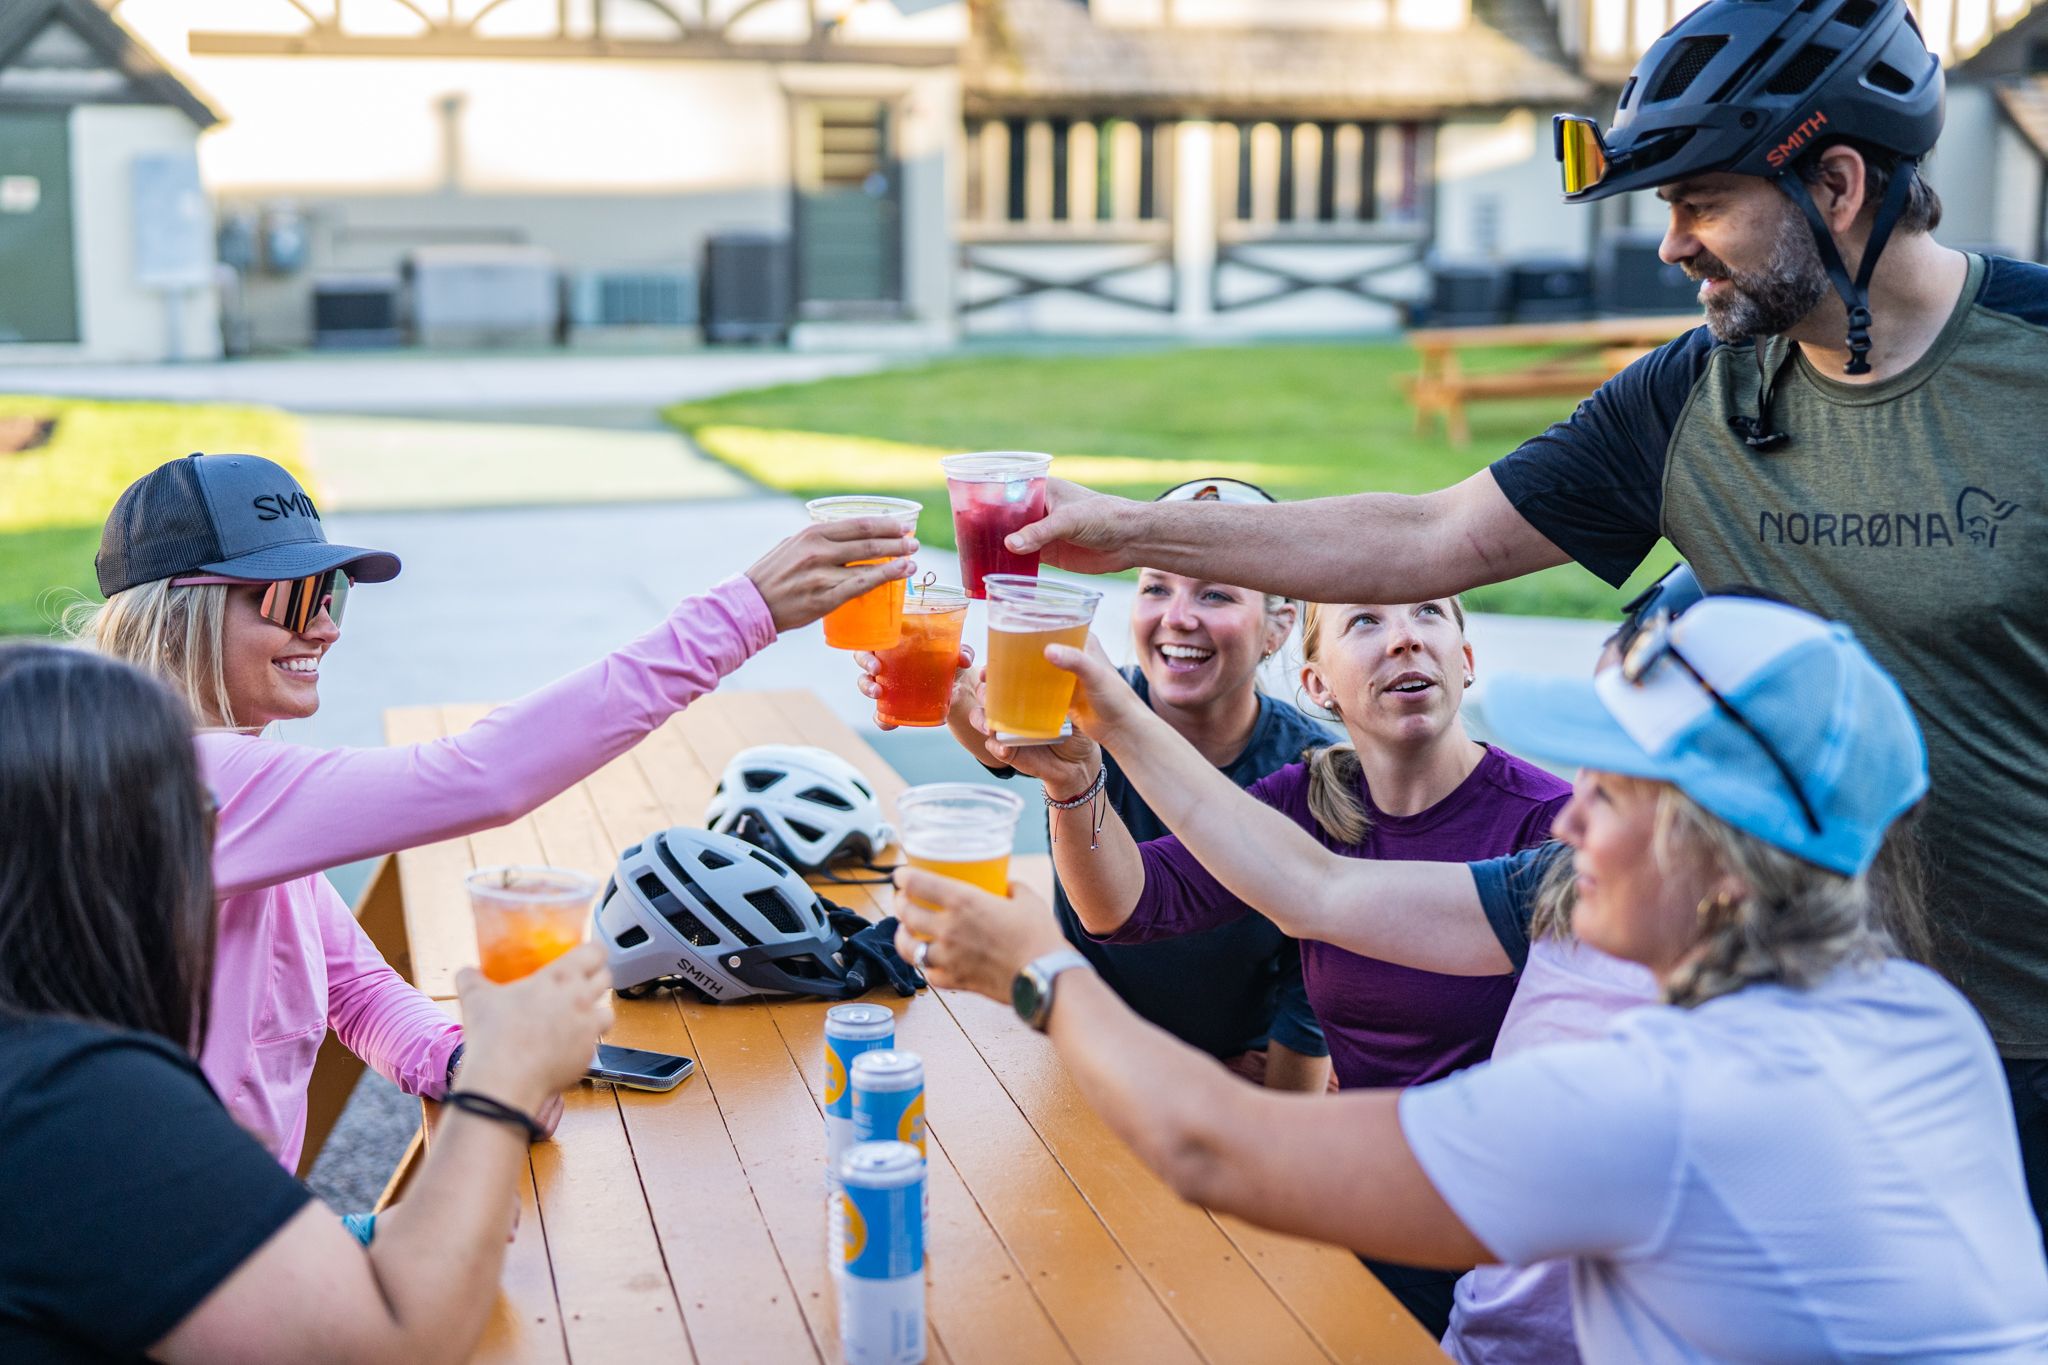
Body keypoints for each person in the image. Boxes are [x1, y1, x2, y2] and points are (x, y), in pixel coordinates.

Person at [1003, 0, 2048, 1232]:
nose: (1670, 247)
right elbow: (1425, 537)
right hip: (1782, 1018)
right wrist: (1125, 529)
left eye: (1700, 200)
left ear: (1832, 182)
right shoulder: (1693, 399)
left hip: (2019, 1029)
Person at [896, 597, 2048, 1361]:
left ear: (1728, 873)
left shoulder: (1666, 1098)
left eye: (1619, 795)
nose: (1573, 817)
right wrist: (1112, 715)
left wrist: (1039, 971)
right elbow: (1319, 894)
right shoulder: (1915, 1011)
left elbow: (1213, 1149)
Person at [75, 451, 914, 1169]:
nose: (327, 627)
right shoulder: (183, 783)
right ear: (175, 613)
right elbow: (481, 776)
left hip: (228, 1227)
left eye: (330, 592)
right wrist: (746, 613)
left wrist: (464, 1060)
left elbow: (354, 987)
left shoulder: (233, 789)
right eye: (293, 599)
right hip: (166, 1262)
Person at [0, 642, 612, 1363]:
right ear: (104, 862)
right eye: (196, 816)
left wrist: (358, 1235)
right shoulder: (75, 1098)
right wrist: (503, 1079)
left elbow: (142, 1260)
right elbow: (394, 1342)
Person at [1033, 583, 1565, 1336]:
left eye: (1428, 614)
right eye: (1366, 621)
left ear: (1466, 658)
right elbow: (1126, 904)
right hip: (1359, 1207)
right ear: (1317, 683)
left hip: (1502, 1237)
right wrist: (1071, 779)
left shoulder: (1550, 824)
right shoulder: (1313, 798)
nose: (1405, 637)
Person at [861, 477, 1334, 1092]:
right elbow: (1006, 741)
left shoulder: (1314, 770)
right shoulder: (1093, 701)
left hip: (1233, 1080)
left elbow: (1319, 973)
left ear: (1278, 627)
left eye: (1215, 594)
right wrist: (950, 694)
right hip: (1088, 1052)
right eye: (1156, 587)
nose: (1178, 616)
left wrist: (1287, 1089)